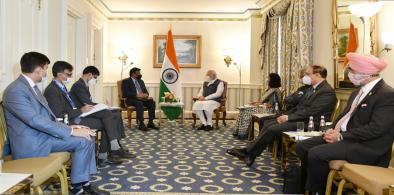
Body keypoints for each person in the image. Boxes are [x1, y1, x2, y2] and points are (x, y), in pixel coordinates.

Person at [2, 52, 106, 194]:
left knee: (88, 135)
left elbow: (46, 117)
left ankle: (83, 183)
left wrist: (70, 126)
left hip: (43, 136)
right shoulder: (15, 90)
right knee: (83, 140)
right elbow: (34, 120)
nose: (46, 72)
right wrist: (71, 131)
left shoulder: (30, 87)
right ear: (38, 69)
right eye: (45, 68)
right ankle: (78, 188)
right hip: (32, 143)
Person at [295, 53, 394, 194]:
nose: (349, 74)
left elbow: (376, 129)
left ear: (365, 73)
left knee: (316, 154)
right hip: (347, 139)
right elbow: (344, 117)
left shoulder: (387, 95)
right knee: (302, 146)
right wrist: (331, 129)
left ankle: (319, 191)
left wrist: (341, 136)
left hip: (366, 146)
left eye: (352, 71)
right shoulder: (357, 92)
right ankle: (310, 187)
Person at [227, 65, 337, 166]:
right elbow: (299, 107)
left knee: (272, 128)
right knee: (269, 123)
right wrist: (285, 115)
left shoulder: (326, 91)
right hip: (301, 119)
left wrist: (288, 117)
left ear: (317, 75)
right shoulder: (313, 89)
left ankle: (249, 153)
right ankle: (249, 153)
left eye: (308, 74)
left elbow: (311, 111)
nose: (306, 76)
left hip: (311, 124)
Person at [44, 61, 134, 168]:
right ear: (59, 75)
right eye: (69, 74)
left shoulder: (61, 87)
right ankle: (107, 153)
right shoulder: (52, 90)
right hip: (72, 121)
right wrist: (81, 111)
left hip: (77, 115)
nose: (71, 77)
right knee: (108, 118)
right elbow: (58, 115)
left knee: (109, 118)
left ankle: (107, 153)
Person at [70, 66, 126, 139]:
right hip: (82, 113)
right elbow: (87, 103)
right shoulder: (78, 85)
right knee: (110, 116)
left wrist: (102, 105)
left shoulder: (84, 85)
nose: (95, 80)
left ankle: (116, 142)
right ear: (89, 74)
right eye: (95, 77)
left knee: (116, 113)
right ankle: (112, 145)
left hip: (87, 111)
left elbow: (88, 102)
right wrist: (102, 105)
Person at [233, 73, 282, 140]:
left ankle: (243, 134)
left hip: (270, 111)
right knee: (242, 110)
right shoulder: (270, 89)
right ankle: (238, 132)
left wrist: (258, 105)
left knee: (246, 111)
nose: (267, 79)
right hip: (264, 108)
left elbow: (271, 105)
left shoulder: (276, 90)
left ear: (272, 80)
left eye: (268, 78)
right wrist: (256, 103)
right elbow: (264, 101)